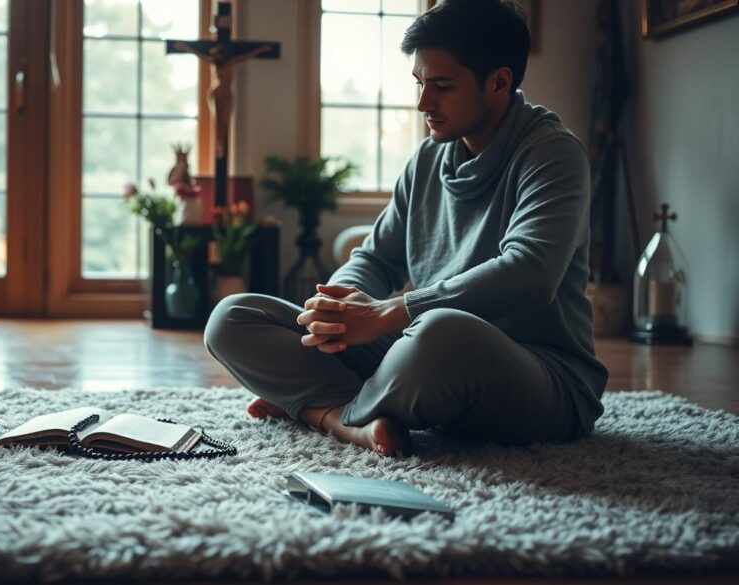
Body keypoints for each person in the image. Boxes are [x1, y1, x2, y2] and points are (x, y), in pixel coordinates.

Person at [203, 0, 609, 457]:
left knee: (439, 334)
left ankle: (317, 407)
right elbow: (376, 259)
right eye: (419, 83)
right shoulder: (429, 158)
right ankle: (346, 410)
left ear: (499, 82)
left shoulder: (554, 154)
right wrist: (337, 310)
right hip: (420, 351)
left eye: (441, 86)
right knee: (232, 317)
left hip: (543, 379)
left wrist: (388, 313)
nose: (422, 103)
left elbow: (531, 272)